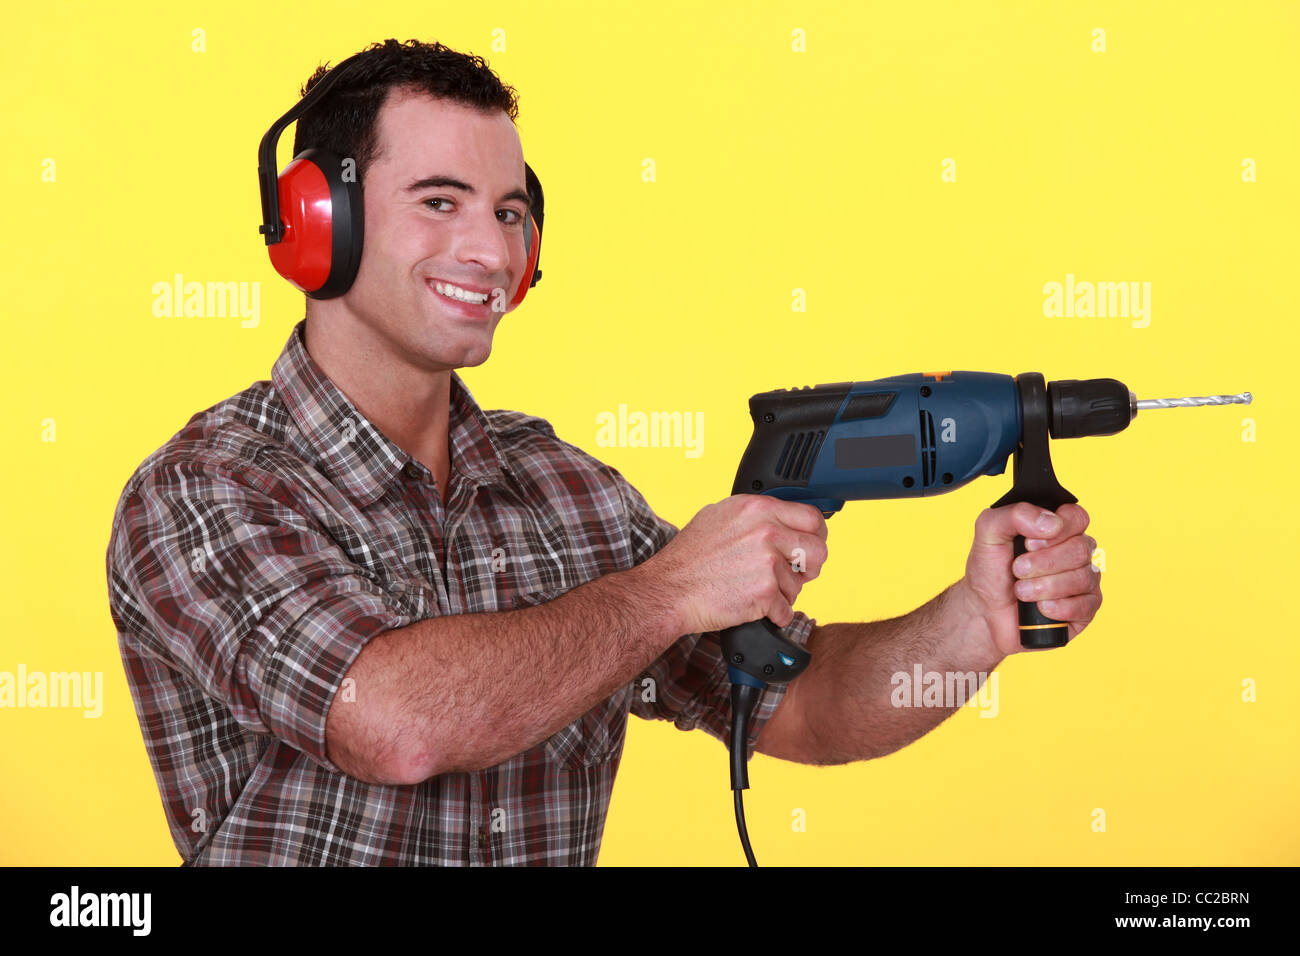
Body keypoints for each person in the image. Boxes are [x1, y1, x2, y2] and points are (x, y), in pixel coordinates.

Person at [106, 38, 1102, 866]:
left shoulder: (569, 492)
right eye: (440, 201)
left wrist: (971, 620)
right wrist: (667, 591)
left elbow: (793, 707)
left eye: (509, 211)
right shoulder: (205, 490)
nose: (493, 253)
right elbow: (393, 720)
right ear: (320, 223)